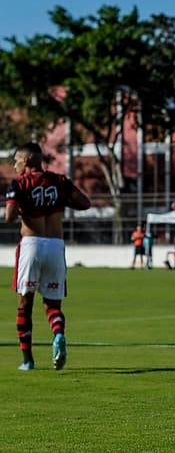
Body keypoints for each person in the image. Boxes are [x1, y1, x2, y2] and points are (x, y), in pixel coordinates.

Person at [4, 142, 91, 371]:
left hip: (31, 244)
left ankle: (28, 360)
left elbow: (9, 217)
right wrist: (62, 201)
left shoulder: (20, 184)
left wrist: (17, 198)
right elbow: (85, 203)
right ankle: (58, 334)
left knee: (25, 304)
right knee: (52, 304)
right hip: (56, 244)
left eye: (16, 160)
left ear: (28, 160)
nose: (14, 166)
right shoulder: (59, 181)